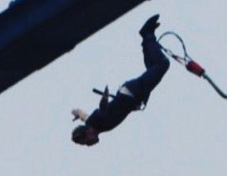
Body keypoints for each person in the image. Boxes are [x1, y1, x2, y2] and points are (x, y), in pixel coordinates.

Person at [71, 14, 169, 146]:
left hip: (132, 92)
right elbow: (88, 117)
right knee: (153, 67)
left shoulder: (96, 122)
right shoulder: (94, 124)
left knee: (162, 64)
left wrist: (104, 100)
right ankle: (148, 35)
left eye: (85, 142)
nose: (88, 144)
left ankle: (147, 34)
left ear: (88, 133)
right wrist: (78, 112)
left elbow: (102, 111)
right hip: (133, 95)